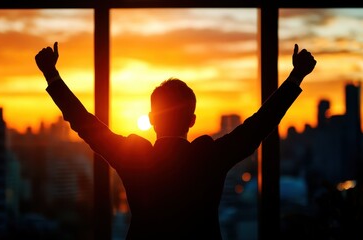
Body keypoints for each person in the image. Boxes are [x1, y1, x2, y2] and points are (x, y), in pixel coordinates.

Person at [35, 42, 316, 239]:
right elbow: (260, 124)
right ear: (192, 120)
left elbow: (85, 123)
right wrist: (296, 76)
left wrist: (52, 74)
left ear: (151, 119)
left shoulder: (134, 156)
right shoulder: (208, 156)